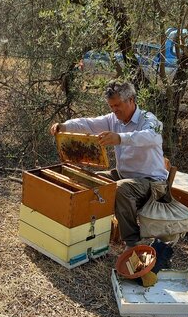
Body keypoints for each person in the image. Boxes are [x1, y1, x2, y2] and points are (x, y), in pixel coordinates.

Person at [50, 81, 168, 248]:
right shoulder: (113, 119)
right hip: (124, 175)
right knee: (90, 181)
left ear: (131, 100)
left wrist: (120, 138)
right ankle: (94, 232)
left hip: (152, 182)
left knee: (120, 188)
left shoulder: (148, 119)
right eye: (111, 106)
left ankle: (132, 243)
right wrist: (64, 126)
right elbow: (88, 124)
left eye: (118, 105)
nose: (115, 110)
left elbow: (151, 136)